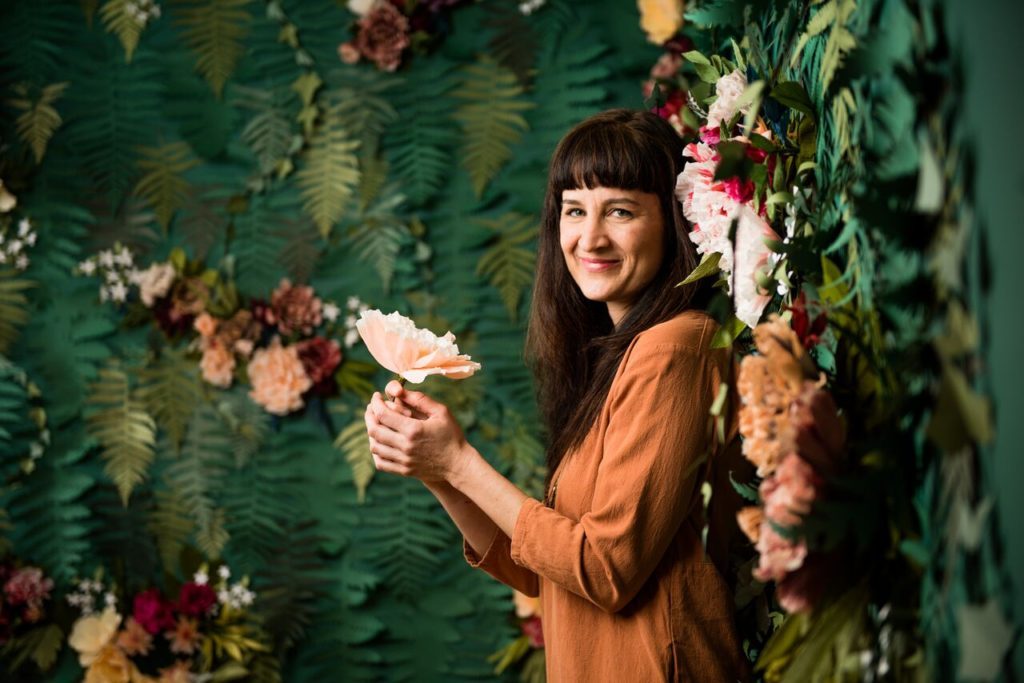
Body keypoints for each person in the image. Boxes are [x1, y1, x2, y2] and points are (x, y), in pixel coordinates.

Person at [364, 109, 750, 682]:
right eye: (574, 211)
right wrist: (435, 467)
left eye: (620, 211)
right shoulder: (616, 356)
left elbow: (604, 569)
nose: (589, 238)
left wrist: (461, 463)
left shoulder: (677, 347)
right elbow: (549, 573)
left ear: (673, 222)